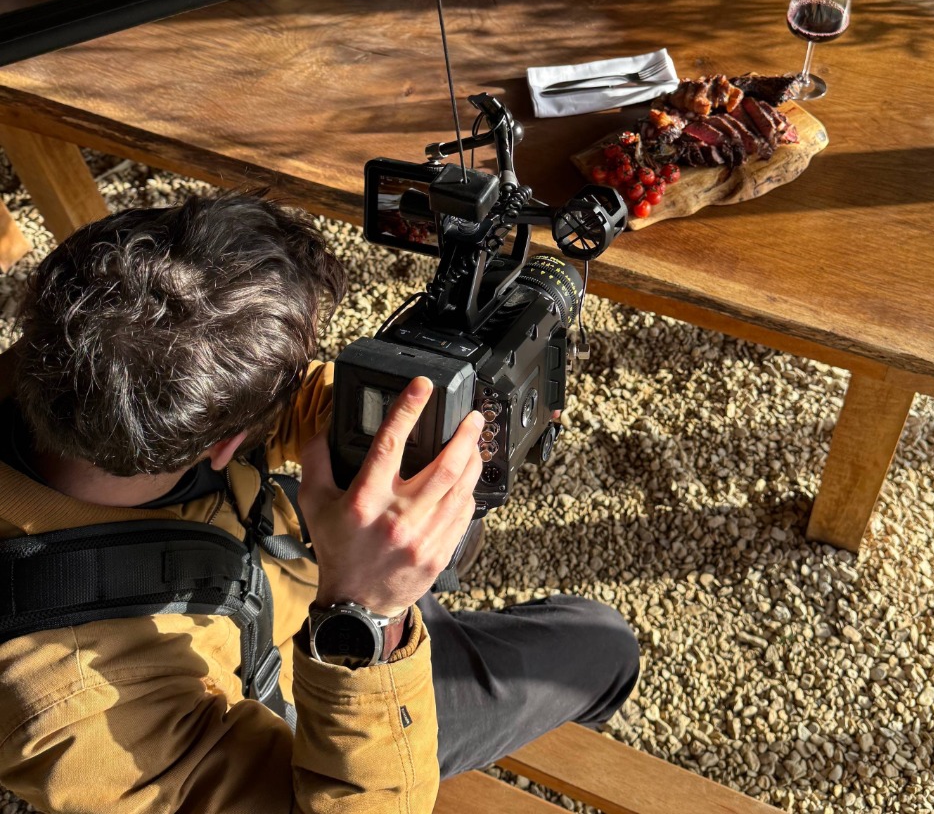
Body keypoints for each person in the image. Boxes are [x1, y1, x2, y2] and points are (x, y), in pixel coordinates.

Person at [0, 193, 639, 813]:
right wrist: (370, 616)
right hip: (325, 707)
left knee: (456, 538)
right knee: (602, 647)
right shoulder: (72, 714)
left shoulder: (76, 355)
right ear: (226, 443)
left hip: (288, 586)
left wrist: (404, 419)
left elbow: (286, 399)